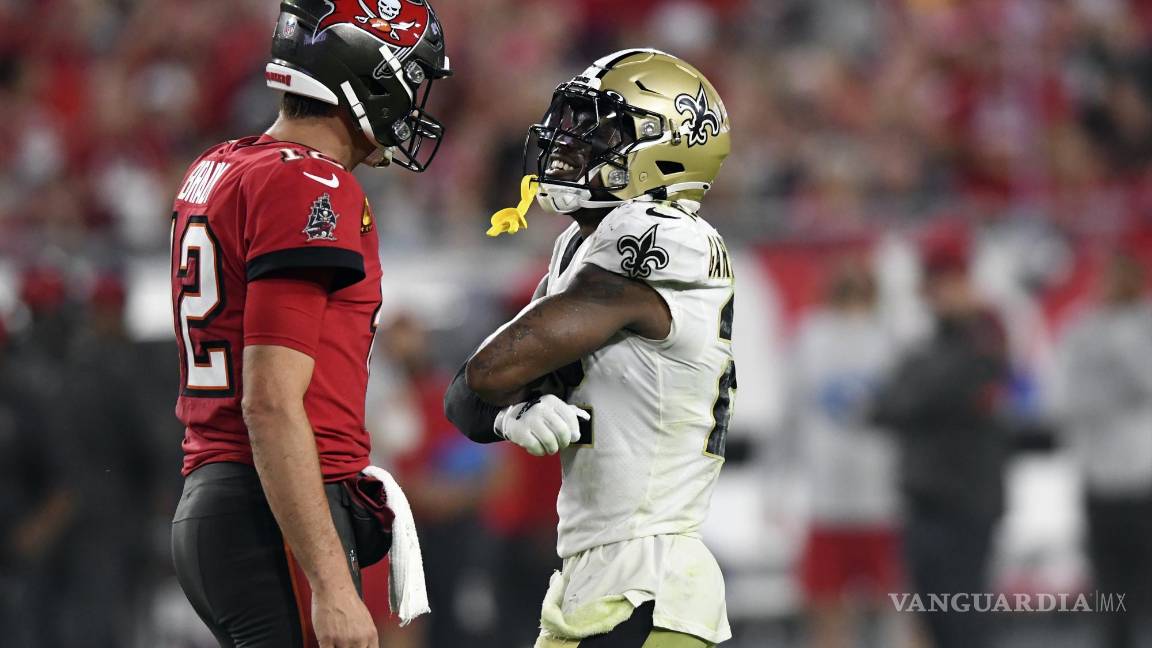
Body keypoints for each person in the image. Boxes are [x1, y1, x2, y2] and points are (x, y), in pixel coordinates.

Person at [167, 1, 450, 646]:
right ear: (370, 72)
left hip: (228, 498)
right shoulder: (310, 183)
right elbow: (269, 400)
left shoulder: (223, 164)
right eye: (411, 76)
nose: (415, 101)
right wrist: (331, 584)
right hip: (274, 508)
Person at [445, 49, 735, 647]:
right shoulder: (581, 245)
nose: (570, 143)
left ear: (667, 147)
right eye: (572, 123)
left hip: (650, 578)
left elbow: (488, 372)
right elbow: (465, 401)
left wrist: (508, 397)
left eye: (600, 131)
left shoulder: (664, 235)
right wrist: (510, 414)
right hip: (595, 576)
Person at [871, 241, 1010, 648]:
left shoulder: (984, 337)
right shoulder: (929, 345)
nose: (938, 294)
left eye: (946, 283)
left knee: (963, 621)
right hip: (923, 500)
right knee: (933, 621)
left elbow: (930, 392)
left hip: (967, 502)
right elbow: (886, 406)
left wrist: (912, 395)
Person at [789, 261, 903, 648]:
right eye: (845, 296)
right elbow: (791, 413)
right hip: (829, 501)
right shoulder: (809, 340)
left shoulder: (889, 339)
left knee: (895, 604)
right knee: (826, 607)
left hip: (882, 498)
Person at [1058, 252, 1152, 648]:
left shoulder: (1145, 327)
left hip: (1143, 475)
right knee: (1109, 584)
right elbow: (1065, 394)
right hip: (1099, 475)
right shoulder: (1082, 328)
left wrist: (1123, 345)